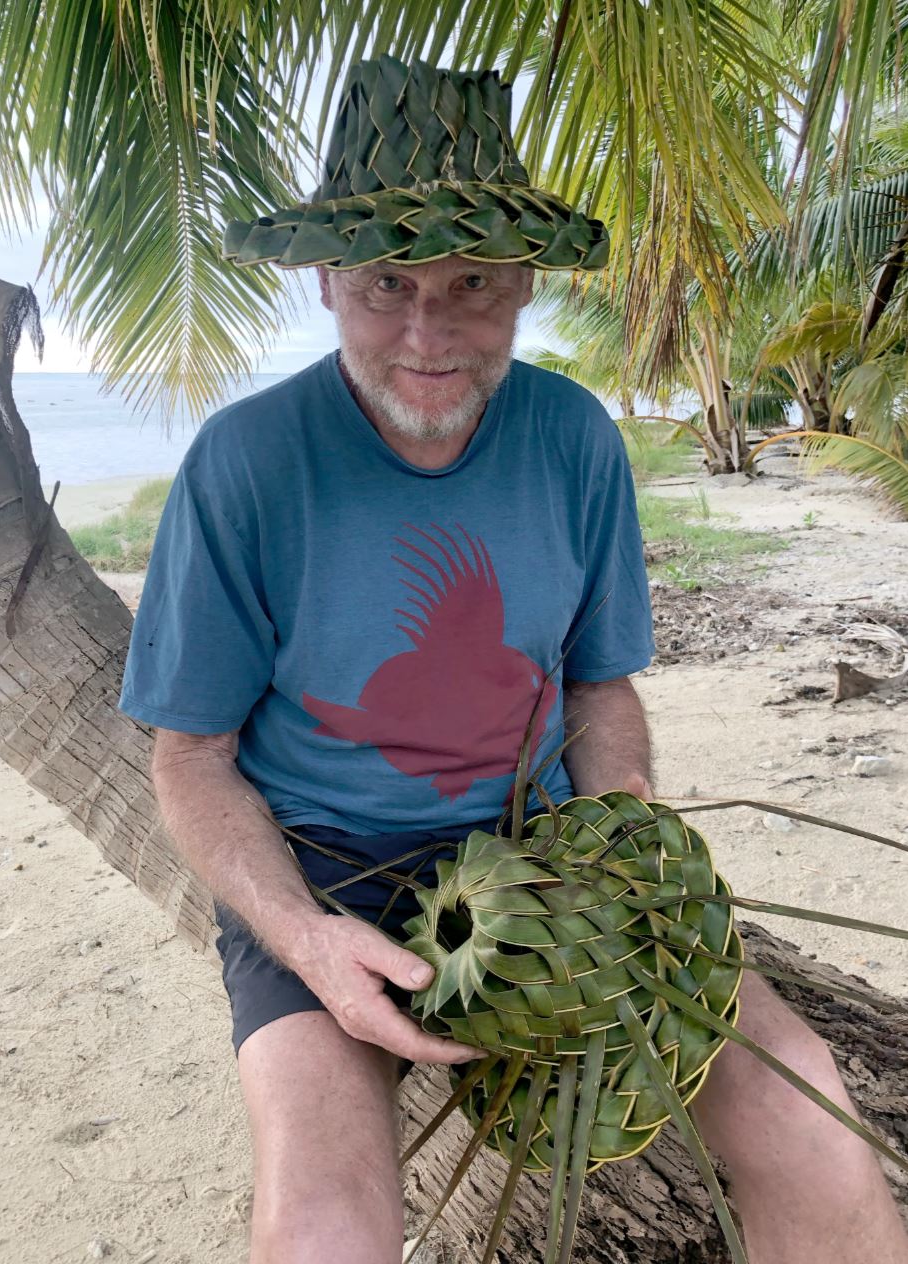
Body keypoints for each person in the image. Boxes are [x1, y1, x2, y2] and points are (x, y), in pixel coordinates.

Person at [119, 54, 908, 1264]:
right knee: (323, 1228)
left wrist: (626, 841)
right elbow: (192, 756)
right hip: (323, 875)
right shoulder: (244, 465)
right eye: (388, 282)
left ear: (523, 283)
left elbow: (596, 687)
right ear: (327, 280)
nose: (427, 331)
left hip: (544, 865)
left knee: (817, 1128)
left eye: (471, 283)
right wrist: (308, 942)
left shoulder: (573, 440)